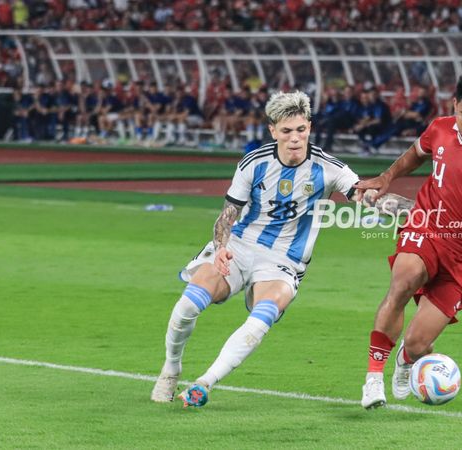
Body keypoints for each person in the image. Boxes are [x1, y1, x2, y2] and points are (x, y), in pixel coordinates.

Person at [150, 91, 362, 408]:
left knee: (264, 314)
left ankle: (205, 383)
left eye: (301, 130)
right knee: (189, 304)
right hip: (239, 246)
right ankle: (170, 368)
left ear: (309, 127)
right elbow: (227, 216)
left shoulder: (329, 168)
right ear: (273, 130)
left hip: (283, 262)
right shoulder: (254, 163)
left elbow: (363, 195)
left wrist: (405, 209)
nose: (294, 139)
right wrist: (221, 248)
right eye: (287, 131)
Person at [356, 72, 462, 409]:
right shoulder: (441, 128)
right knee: (403, 281)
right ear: (454, 106)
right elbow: (416, 154)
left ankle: (406, 360)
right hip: (426, 226)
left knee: (417, 345)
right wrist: (387, 177)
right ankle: (373, 378)